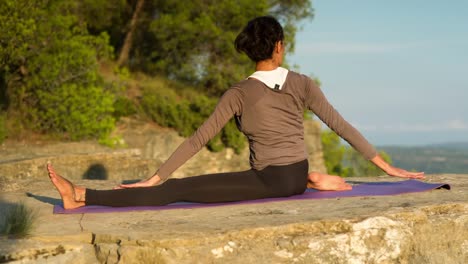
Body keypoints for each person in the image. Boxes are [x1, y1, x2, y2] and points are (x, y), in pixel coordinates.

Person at [47, 16, 424, 209]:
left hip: (272, 182)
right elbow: (341, 125)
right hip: (288, 177)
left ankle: (80, 195)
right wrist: (386, 167)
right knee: (183, 186)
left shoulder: (239, 93)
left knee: (176, 189)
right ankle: (310, 177)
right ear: (279, 46)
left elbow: (199, 138)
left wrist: (157, 177)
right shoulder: (303, 82)